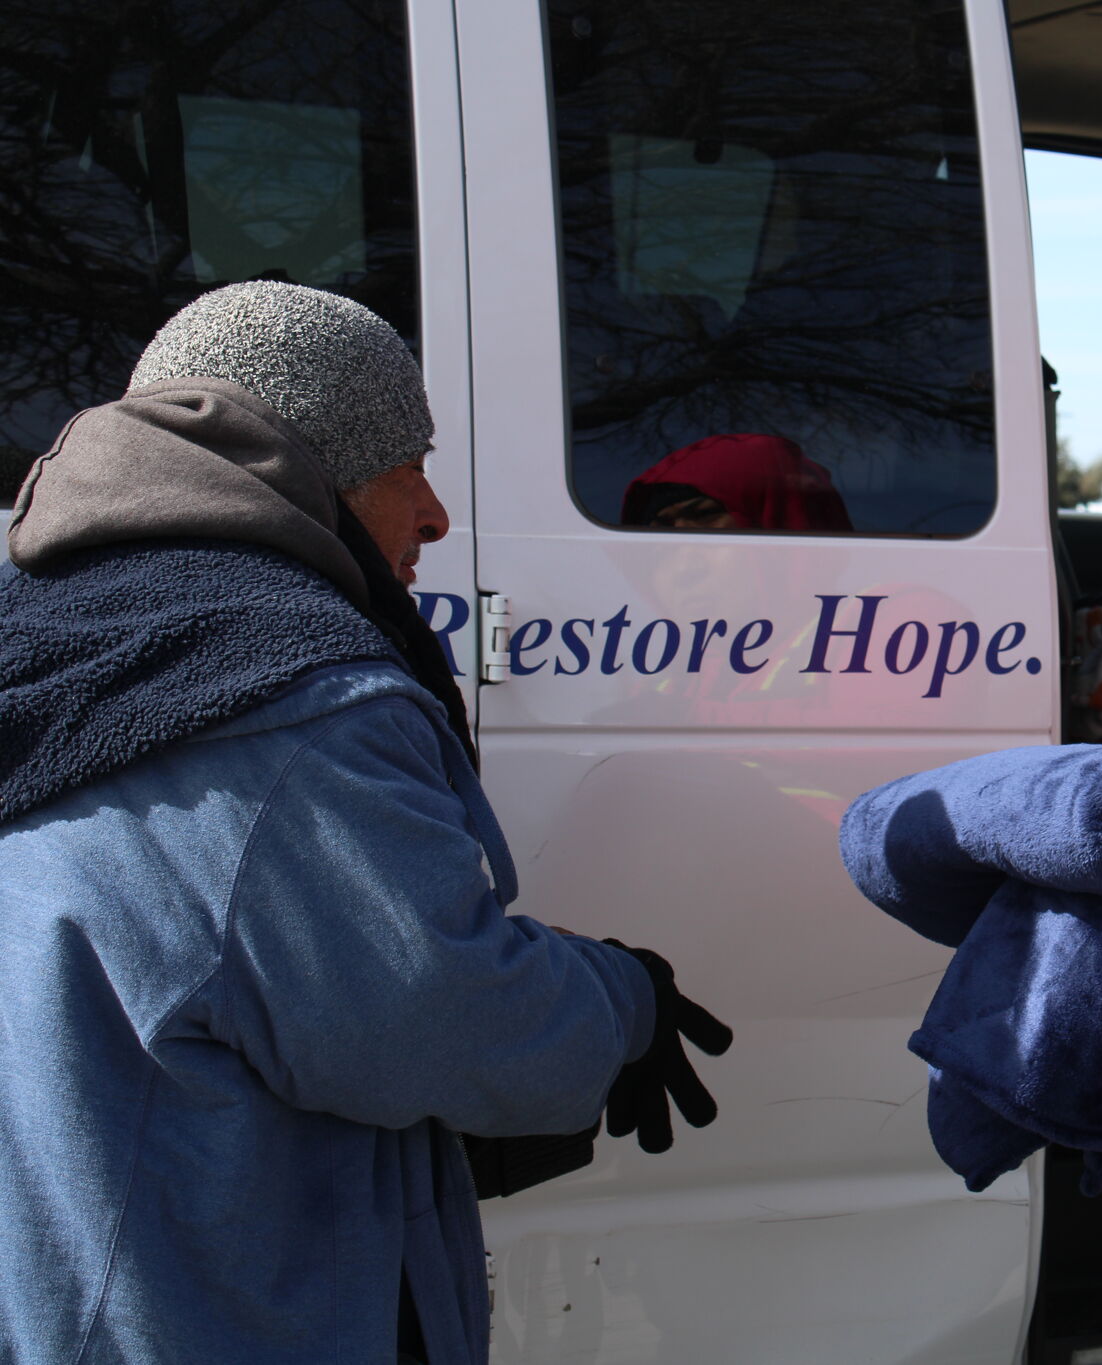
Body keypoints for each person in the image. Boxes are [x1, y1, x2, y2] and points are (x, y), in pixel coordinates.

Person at [0, 282, 727, 1365]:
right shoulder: (286, 698)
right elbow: (434, 1013)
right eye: (407, 465)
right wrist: (622, 999)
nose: (435, 515)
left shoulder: (52, 633)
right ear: (316, 468)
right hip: (226, 1310)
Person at [620, 432, 854, 530]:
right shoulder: (623, 618)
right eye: (662, 528)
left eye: (705, 515)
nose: (683, 566)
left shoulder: (866, 616)